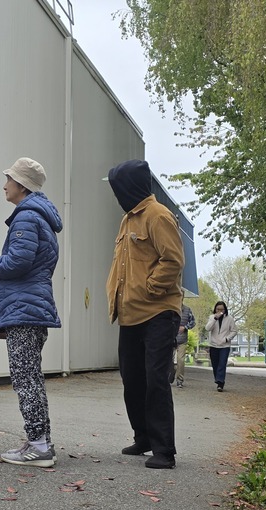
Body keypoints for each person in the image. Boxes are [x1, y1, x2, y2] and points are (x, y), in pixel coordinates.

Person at [0, 157, 61, 468]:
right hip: (33, 306)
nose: (5, 185)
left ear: (22, 185)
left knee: (25, 377)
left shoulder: (27, 217)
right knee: (31, 376)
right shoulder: (40, 217)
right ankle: (40, 441)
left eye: (9, 179)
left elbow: (19, 259)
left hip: (24, 309)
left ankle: (39, 446)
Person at [105, 159, 184, 469]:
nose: (116, 196)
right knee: (132, 380)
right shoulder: (127, 220)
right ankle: (144, 437)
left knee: (156, 380)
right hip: (130, 314)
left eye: (118, 189)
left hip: (158, 312)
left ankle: (164, 450)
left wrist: (150, 288)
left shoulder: (158, 215)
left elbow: (173, 261)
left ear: (130, 187)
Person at [205, 301, 237, 392]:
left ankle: (220, 383)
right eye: (218, 309)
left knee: (222, 364)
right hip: (213, 345)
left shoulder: (229, 318)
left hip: (224, 345)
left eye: (222, 309)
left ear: (225, 310)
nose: (220, 311)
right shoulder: (212, 317)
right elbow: (207, 328)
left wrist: (227, 339)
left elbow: (234, 331)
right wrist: (215, 319)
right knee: (215, 364)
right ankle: (218, 379)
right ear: (215, 309)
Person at [174, 303, 196, 387]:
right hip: (170, 338)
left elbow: (193, 322)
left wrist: (185, 327)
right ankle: (170, 375)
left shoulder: (187, 310)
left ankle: (179, 380)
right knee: (169, 361)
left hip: (182, 339)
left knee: (181, 360)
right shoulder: (170, 308)